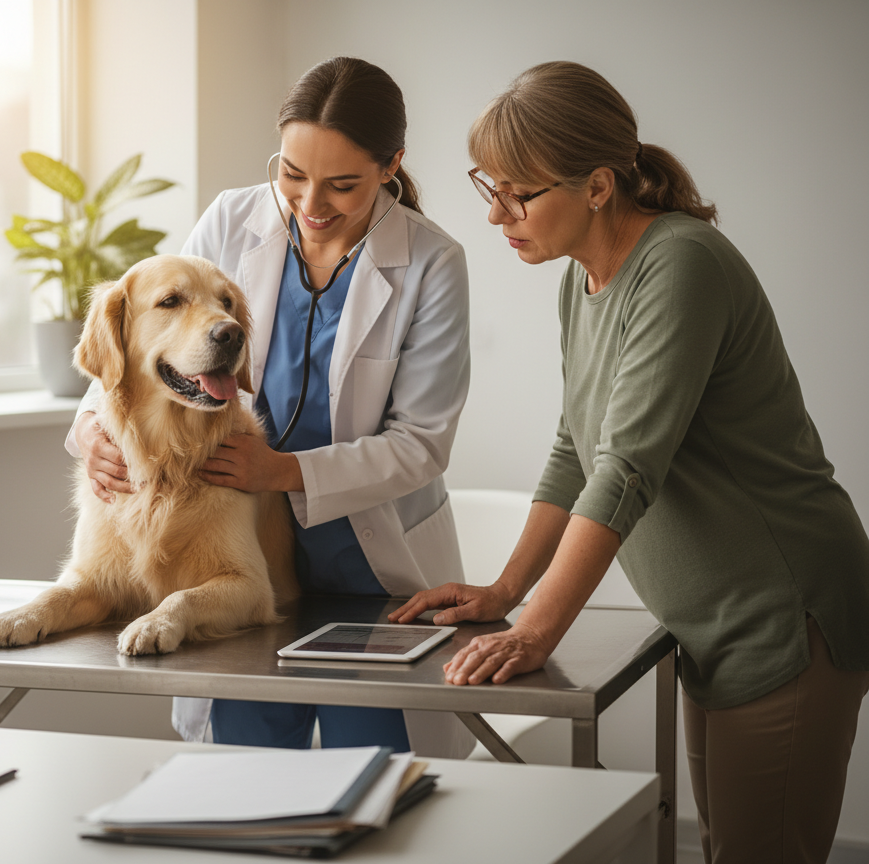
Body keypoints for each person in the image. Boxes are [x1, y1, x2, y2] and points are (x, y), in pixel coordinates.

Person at [391, 60, 869, 862]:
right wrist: (505, 591)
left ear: (598, 186)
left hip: (784, 615)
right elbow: (577, 445)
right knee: (724, 847)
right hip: (713, 621)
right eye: (490, 188)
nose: (497, 214)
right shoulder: (582, 281)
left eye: (520, 193)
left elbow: (627, 467)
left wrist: (538, 630)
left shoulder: (680, 266)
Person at [67, 57, 473, 758]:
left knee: (371, 782)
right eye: (292, 173)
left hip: (367, 574)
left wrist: (280, 471)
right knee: (247, 782)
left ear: (391, 166)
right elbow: (150, 337)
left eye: (341, 184)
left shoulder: (432, 262)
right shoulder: (233, 217)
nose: (310, 203)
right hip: (234, 564)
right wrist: (89, 429)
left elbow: (422, 442)